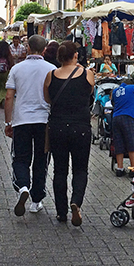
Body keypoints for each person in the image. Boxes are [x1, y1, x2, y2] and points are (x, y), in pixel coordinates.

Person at [44, 41, 95, 225]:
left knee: (60, 170)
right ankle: (76, 202)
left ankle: (61, 211)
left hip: (57, 127)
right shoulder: (86, 74)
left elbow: (48, 99)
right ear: (76, 56)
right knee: (80, 169)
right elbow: (90, 92)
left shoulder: (51, 75)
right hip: (81, 126)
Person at [5, 35, 55, 216]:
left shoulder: (17, 69)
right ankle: (37, 199)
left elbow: (9, 96)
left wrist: (8, 121)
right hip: (44, 121)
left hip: (22, 120)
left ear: (27, 48)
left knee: (20, 157)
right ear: (44, 50)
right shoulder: (51, 69)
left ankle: (23, 186)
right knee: (41, 160)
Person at [111, 78, 134, 177]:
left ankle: (120, 169)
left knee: (118, 142)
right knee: (131, 142)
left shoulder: (115, 91)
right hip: (128, 117)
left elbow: (113, 103)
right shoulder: (133, 87)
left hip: (116, 118)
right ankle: (133, 169)